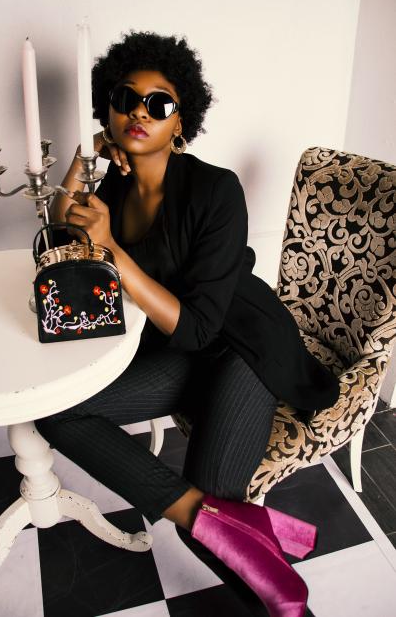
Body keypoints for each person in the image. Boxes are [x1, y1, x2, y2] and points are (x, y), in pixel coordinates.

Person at [35, 31, 339, 616]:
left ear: (181, 122)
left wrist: (113, 254)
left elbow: (202, 327)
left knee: (212, 507)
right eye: (126, 99)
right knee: (55, 408)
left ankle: (292, 610)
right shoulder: (115, 185)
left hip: (242, 347)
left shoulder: (217, 190)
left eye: (159, 103)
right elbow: (58, 227)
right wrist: (85, 158)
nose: (139, 113)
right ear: (108, 109)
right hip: (177, 350)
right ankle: (227, 521)